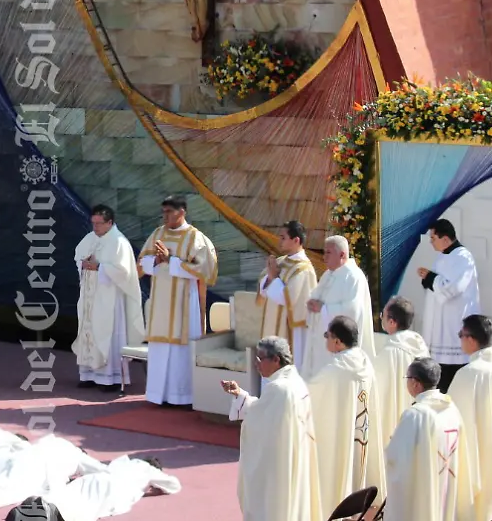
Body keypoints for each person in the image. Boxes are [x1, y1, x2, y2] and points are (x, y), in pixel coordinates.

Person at [222, 336, 322, 521]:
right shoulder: (296, 381)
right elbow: (263, 410)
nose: (256, 364)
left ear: (276, 359)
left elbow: (256, 420)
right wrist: (241, 395)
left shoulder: (278, 388)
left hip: (280, 468)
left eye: (260, 358)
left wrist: (243, 407)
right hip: (295, 458)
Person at [137, 195, 217, 406]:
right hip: (160, 300)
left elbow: (205, 270)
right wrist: (156, 260)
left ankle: (181, 397)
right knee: (160, 348)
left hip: (184, 302)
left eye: (169, 212)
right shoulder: (158, 233)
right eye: (163, 212)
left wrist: (171, 261)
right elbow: (141, 262)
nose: (165, 216)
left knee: (180, 352)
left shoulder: (195, 238)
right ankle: (157, 395)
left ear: (182, 212)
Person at [306, 315, 386, 515]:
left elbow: (307, 397)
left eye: (328, 336)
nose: (326, 340)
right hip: (362, 432)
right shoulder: (365, 362)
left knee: (340, 469)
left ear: (338, 341)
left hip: (342, 436)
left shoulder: (334, 370)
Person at [384, 357, 476, 521]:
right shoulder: (451, 409)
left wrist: (393, 442)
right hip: (447, 480)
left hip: (425, 488)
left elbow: (396, 459)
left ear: (415, 383)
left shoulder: (415, 415)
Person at [446, 314, 492, 519]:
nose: (459, 338)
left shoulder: (470, 374)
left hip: (480, 454)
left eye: (461, 334)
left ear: (471, 339)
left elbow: (451, 421)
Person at [73, 204, 143, 394]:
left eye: (99, 223)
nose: (95, 227)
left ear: (110, 222)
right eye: (93, 223)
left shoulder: (119, 241)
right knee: (89, 331)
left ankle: (111, 378)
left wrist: (99, 267)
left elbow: (124, 272)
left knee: (107, 334)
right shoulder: (90, 237)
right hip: (91, 295)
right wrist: (83, 262)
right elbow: (78, 256)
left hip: (110, 298)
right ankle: (88, 375)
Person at [300, 235, 376, 378]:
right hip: (320, 342)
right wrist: (311, 303)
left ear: (342, 254)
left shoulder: (353, 276)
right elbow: (317, 296)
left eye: (328, 252)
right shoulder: (328, 274)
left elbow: (353, 311)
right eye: (324, 252)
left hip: (337, 344)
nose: (324, 257)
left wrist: (323, 309)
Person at [419, 219, 481, 391]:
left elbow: (452, 288)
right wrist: (428, 279)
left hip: (454, 326)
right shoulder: (443, 256)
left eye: (433, 238)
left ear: (445, 239)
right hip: (441, 327)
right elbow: (437, 285)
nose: (431, 242)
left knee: (452, 377)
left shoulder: (463, 257)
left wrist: (431, 278)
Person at [257, 221, 316, 365]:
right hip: (272, 328)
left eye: (283, 237)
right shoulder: (281, 262)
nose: (279, 241)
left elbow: (287, 298)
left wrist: (272, 278)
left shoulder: (304, 269)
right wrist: (269, 278)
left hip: (291, 331)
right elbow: (263, 290)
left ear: (296, 240)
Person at [373, 297, 431, 436]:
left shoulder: (389, 352)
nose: (381, 319)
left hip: (393, 417)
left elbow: (375, 389)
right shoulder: (420, 345)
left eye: (383, 316)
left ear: (392, 322)